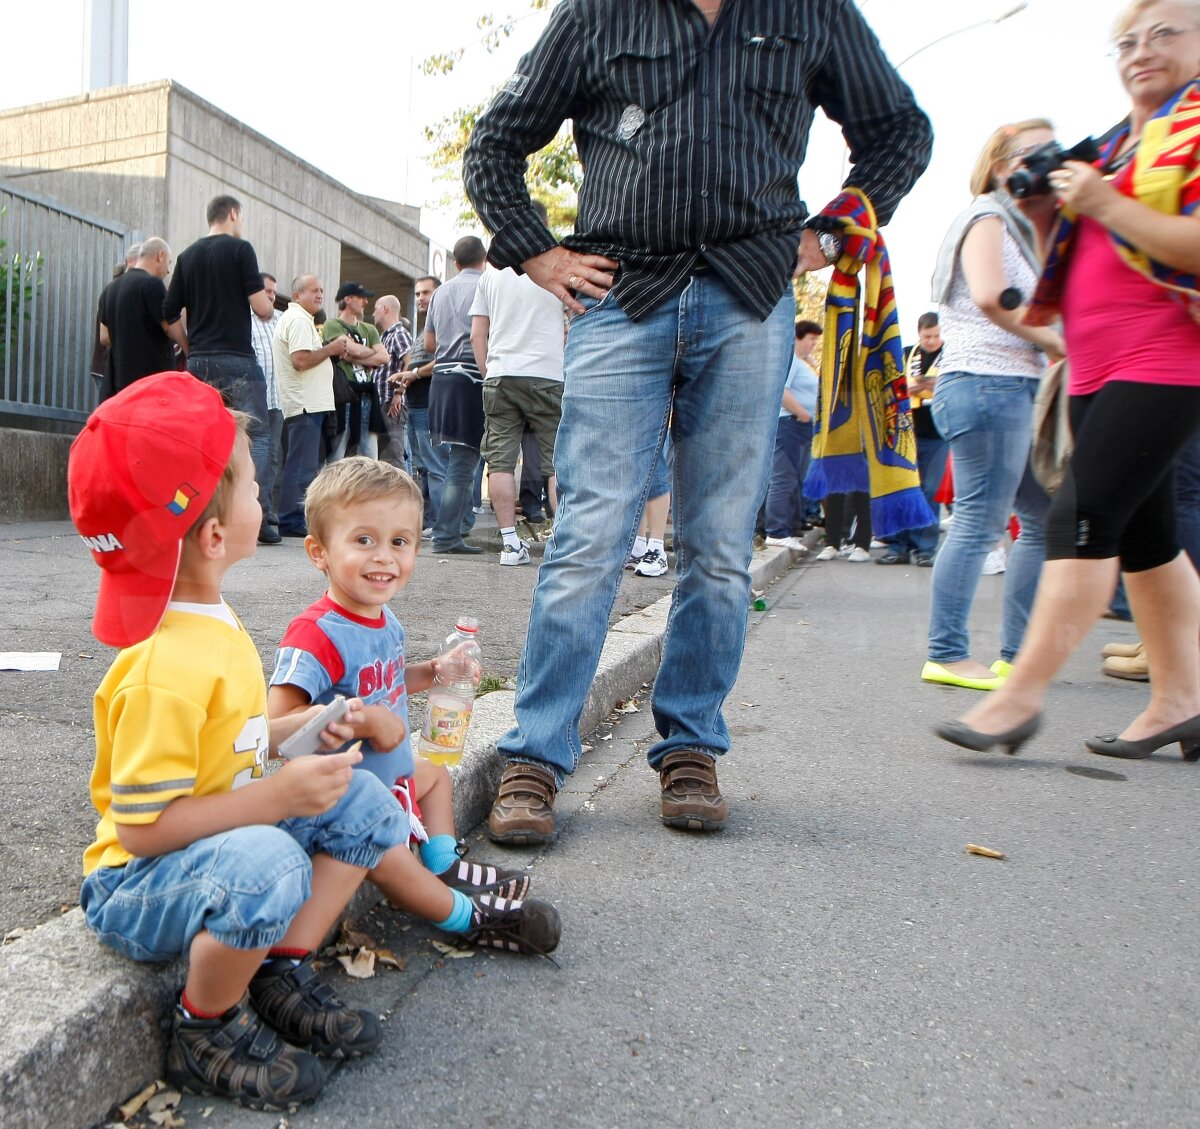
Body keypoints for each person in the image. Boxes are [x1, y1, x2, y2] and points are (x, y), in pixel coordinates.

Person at [463, 0, 932, 842]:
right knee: (589, 532)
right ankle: (534, 755)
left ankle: (690, 747)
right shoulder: (599, 15)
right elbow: (496, 141)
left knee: (718, 543)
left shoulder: (811, 10)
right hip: (620, 296)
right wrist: (536, 250)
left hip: (750, 302)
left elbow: (899, 129)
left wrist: (831, 235)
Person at [69, 372, 413, 1110]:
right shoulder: (164, 664)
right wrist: (276, 795)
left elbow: (230, 743)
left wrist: (305, 727)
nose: (266, 499)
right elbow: (141, 826)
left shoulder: (207, 619)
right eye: (256, 487)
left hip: (204, 845)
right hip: (134, 884)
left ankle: (276, 966)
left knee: (365, 801)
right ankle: (205, 1025)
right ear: (216, 533)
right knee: (270, 862)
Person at [937, 0, 1200, 762]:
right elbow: (1091, 254)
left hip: (1165, 358)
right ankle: (1181, 700)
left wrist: (1104, 201)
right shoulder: (1119, 146)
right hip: (1095, 360)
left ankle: (1018, 698)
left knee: (1079, 517)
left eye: (1164, 34)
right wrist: (1052, 211)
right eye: (1127, 41)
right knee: (1148, 542)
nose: (1141, 51)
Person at [267, 458, 561, 953]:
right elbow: (276, 726)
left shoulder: (385, 621)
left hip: (391, 773)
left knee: (437, 777)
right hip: (345, 799)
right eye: (364, 540)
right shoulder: (315, 635)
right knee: (390, 858)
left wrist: (431, 672)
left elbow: (385, 682)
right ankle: (465, 917)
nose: (384, 557)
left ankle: (444, 862)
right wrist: (359, 720)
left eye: (399, 543)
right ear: (318, 552)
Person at [921, 120, 1064, 692]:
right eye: (1039, 152)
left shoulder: (1024, 227)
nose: (1053, 159)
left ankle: (1016, 655)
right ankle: (947, 652)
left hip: (1014, 386)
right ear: (1004, 163)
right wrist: (1056, 342)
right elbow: (988, 295)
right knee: (981, 522)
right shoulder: (986, 217)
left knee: (1041, 520)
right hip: (986, 382)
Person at [164, 195, 276, 543]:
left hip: (199, 362)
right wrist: (264, 303)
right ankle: (255, 514)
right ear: (232, 214)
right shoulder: (241, 250)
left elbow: (168, 315)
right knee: (257, 433)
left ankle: (195, 512)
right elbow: (262, 309)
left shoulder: (187, 256)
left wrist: (189, 347)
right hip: (238, 358)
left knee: (202, 436)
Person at [470, 203, 566, 566]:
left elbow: (479, 333)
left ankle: (510, 544)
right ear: (544, 225)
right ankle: (562, 540)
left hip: (501, 374)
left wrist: (488, 372)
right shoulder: (558, 263)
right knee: (559, 462)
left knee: (501, 461)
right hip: (547, 374)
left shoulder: (491, 272)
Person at [425, 238, 488, 555]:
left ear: (456, 262)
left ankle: (456, 527)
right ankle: (447, 535)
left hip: (442, 377)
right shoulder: (488, 285)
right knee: (464, 462)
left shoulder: (440, 292)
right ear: (484, 258)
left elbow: (428, 343)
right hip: (473, 377)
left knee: (457, 459)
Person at [275, 275, 348, 537]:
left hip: (307, 404)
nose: (320, 295)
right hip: (305, 405)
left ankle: (292, 518)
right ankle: (291, 520)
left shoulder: (300, 320)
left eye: (321, 291)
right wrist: (331, 349)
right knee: (301, 465)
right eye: (314, 291)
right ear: (297, 296)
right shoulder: (297, 320)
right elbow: (301, 360)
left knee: (302, 463)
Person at [876, 312, 947, 566]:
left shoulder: (951, 354)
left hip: (937, 433)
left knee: (929, 491)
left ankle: (925, 548)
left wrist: (931, 385)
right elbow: (890, 384)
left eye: (937, 336)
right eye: (927, 336)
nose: (932, 341)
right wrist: (914, 387)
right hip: (905, 430)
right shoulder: (907, 353)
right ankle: (899, 546)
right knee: (904, 488)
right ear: (919, 333)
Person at [763, 320, 821, 554]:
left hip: (799, 425)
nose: (814, 344)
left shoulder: (802, 363)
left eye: (816, 340)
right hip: (790, 423)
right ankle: (776, 532)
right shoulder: (791, 361)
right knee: (784, 478)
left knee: (796, 478)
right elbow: (782, 391)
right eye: (811, 339)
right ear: (798, 337)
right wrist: (802, 413)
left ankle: (789, 526)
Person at [395, 275, 447, 532]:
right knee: (423, 468)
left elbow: (446, 359)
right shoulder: (423, 330)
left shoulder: (444, 325)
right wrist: (406, 379)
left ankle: (440, 525)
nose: (420, 299)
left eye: (426, 293)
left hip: (431, 406)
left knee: (435, 467)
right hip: (415, 406)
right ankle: (430, 523)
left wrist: (413, 374)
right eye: (417, 294)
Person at [96, 237, 173, 401]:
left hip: (118, 379)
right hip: (150, 380)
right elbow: (170, 327)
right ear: (160, 256)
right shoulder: (153, 285)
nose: (167, 271)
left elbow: (104, 337)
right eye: (169, 262)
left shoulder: (110, 289)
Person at [325, 283, 389, 462]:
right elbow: (352, 348)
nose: (366, 302)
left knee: (370, 456)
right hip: (343, 395)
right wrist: (368, 353)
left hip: (367, 395)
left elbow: (384, 357)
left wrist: (352, 357)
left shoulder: (369, 329)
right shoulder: (332, 325)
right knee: (337, 454)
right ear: (348, 299)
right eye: (361, 297)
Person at [250, 272, 283, 544]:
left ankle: (265, 515)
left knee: (272, 460)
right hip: (249, 400)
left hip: (277, 401)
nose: (270, 296)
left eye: (273, 292)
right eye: (265, 291)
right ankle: (247, 515)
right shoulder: (241, 320)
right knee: (245, 460)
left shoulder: (282, 320)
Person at [372, 295, 413, 472]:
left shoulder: (398, 333)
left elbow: (411, 362)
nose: (373, 313)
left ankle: (402, 498)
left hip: (391, 404)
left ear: (385, 309)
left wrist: (399, 392)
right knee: (385, 458)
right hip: (383, 402)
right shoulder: (385, 336)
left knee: (393, 458)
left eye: (376, 308)